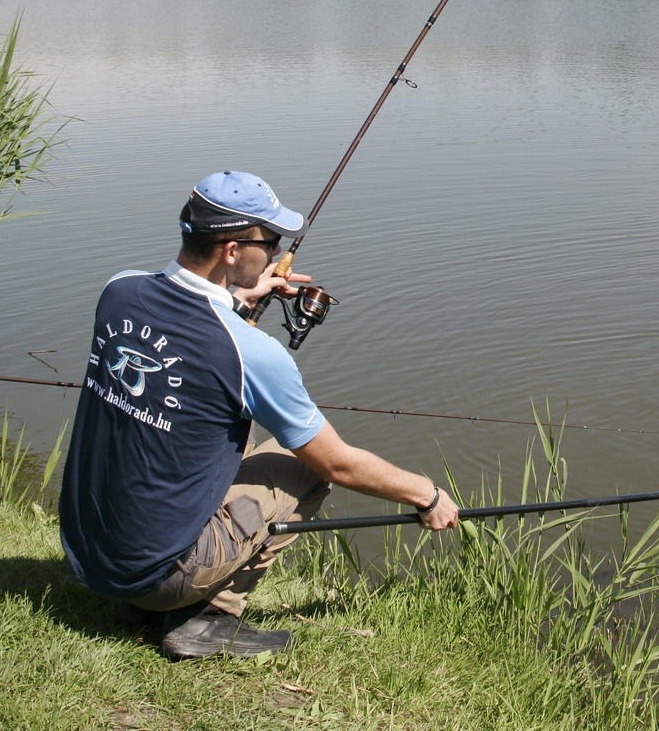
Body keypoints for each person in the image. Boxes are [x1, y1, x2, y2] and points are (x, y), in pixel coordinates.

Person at [59, 170, 459, 661]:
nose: (274, 254)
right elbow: (337, 463)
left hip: (86, 551)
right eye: (269, 243)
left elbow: (190, 347)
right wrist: (426, 494)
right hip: (155, 575)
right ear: (232, 249)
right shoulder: (254, 353)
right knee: (302, 470)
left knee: (218, 439)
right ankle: (208, 619)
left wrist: (236, 299)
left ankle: (142, 599)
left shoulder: (119, 289)